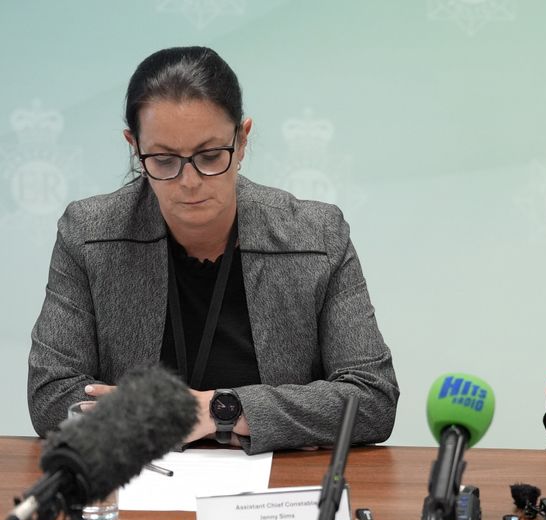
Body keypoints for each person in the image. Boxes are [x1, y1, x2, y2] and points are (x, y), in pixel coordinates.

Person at [28, 46, 398, 453]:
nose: (189, 182)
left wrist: (220, 410)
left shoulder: (317, 235)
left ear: (242, 140)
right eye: (164, 160)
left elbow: (372, 398)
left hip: (279, 485)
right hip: (138, 478)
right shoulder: (88, 234)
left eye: (209, 156)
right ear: (135, 146)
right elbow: (51, 395)